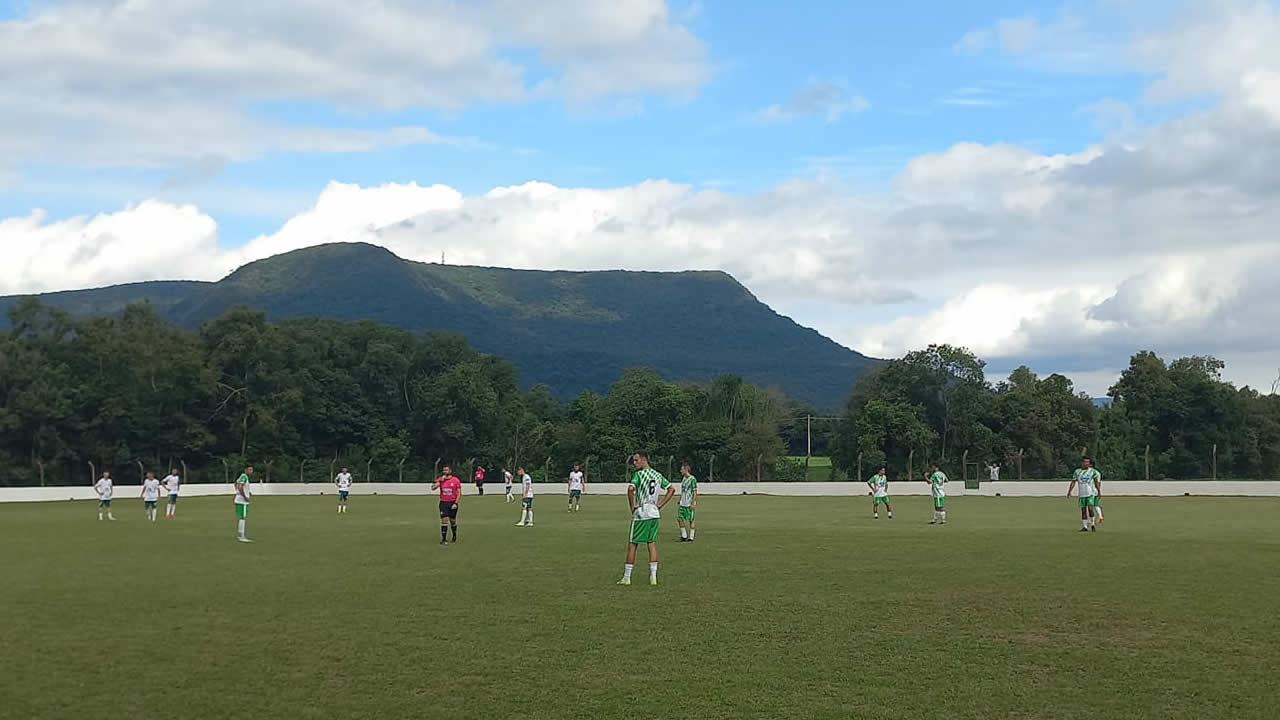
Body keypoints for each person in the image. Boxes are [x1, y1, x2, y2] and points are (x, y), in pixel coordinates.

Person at [617, 451, 674, 586]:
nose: (634, 463)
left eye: (636, 460)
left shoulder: (639, 475)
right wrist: (660, 505)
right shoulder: (657, 475)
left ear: (644, 460)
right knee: (651, 543)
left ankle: (627, 577)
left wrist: (632, 506)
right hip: (654, 513)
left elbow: (631, 489)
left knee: (632, 544)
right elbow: (671, 489)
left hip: (642, 513)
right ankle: (653, 577)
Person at [1067, 457, 1101, 532]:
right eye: (1085, 462)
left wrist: (1098, 491)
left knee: (1090, 508)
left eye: (1088, 462)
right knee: (1083, 510)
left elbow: (1096, 482)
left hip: (1090, 493)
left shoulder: (1092, 471)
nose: (1087, 464)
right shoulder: (1077, 472)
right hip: (1082, 494)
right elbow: (1073, 482)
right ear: (1082, 463)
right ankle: (1085, 526)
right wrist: (1069, 491)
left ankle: (1092, 524)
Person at [433, 465, 463, 545]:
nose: (445, 471)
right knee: (444, 520)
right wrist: (440, 481)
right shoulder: (441, 479)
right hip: (443, 503)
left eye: (446, 470)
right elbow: (433, 488)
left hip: (452, 502)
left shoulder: (456, 480)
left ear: (450, 471)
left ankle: (454, 535)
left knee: (452, 521)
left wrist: (456, 503)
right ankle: (444, 539)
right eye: (444, 470)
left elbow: (459, 493)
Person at [677, 463, 698, 542]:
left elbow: (694, 491)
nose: (680, 471)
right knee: (679, 518)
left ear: (686, 470)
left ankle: (691, 537)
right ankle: (684, 535)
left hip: (689, 503)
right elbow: (683, 490)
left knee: (691, 520)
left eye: (682, 469)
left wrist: (693, 502)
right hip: (683, 503)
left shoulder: (692, 479)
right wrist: (680, 499)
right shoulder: (684, 479)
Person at [234, 465, 254, 543]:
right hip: (242, 500)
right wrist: (245, 496)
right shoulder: (244, 476)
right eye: (250, 469)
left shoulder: (241, 476)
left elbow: (236, 484)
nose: (251, 471)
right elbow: (240, 487)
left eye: (252, 470)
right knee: (243, 517)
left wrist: (245, 492)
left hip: (239, 499)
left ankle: (240, 534)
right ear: (246, 470)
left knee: (242, 517)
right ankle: (242, 536)